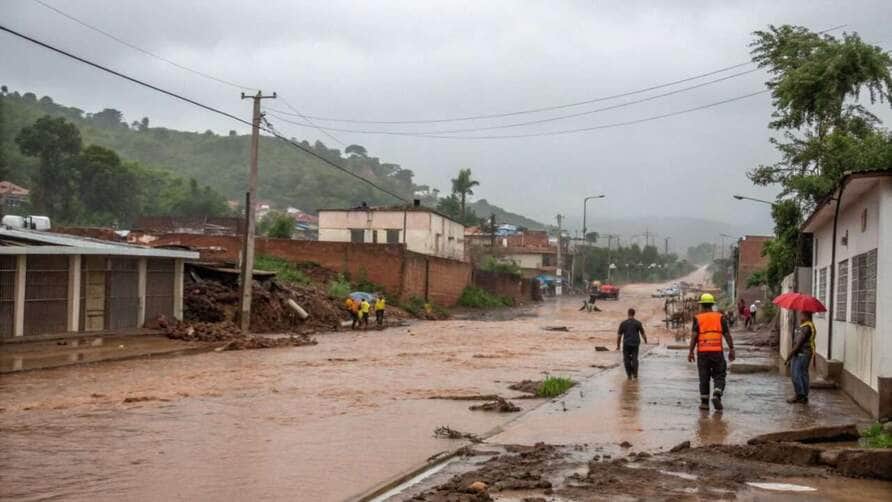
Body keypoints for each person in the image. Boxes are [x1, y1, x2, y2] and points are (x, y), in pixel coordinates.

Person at [688, 293, 735, 411]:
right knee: (720, 374)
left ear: (702, 305)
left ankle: (704, 403)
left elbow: (694, 336)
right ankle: (717, 394)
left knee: (704, 377)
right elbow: (727, 334)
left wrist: (691, 352)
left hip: (702, 353)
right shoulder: (720, 317)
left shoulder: (697, 318)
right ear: (712, 305)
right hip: (716, 352)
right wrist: (731, 349)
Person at [785, 311, 816, 404]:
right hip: (807, 352)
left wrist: (789, 356)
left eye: (801, 315)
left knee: (796, 374)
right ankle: (804, 396)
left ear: (806, 316)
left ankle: (799, 395)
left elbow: (798, 344)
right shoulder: (810, 325)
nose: (800, 316)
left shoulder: (805, 328)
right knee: (803, 374)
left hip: (801, 353)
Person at [617, 308, 648, 379]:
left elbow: (619, 336)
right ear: (634, 314)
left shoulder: (623, 323)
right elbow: (643, 334)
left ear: (628, 313)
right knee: (635, 358)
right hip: (635, 343)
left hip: (626, 344)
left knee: (626, 359)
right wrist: (646, 341)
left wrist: (618, 345)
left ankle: (629, 375)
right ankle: (635, 374)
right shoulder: (638, 323)